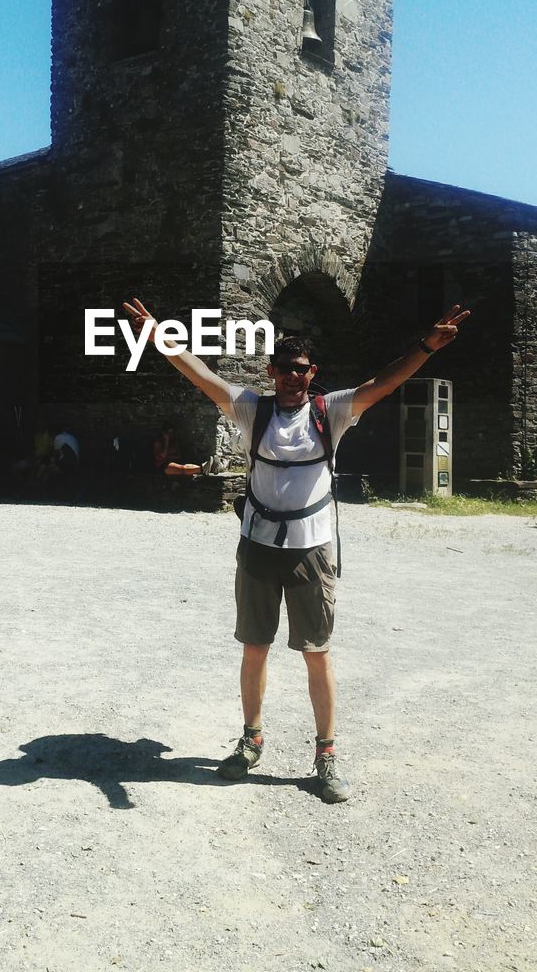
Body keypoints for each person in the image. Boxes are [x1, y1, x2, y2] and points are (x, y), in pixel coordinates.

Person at [122, 296, 470, 802]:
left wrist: (425, 347)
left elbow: (385, 383)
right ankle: (251, 740)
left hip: (311, 550)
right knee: (254, 648)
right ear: (271, 371)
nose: (292, 377)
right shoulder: (251, 409)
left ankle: (326, 755)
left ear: (313, 373)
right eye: (284, 369)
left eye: (301, 369)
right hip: (258, 546)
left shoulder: (332, 411)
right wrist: (158, 337)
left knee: (316, 653)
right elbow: (198, 373)